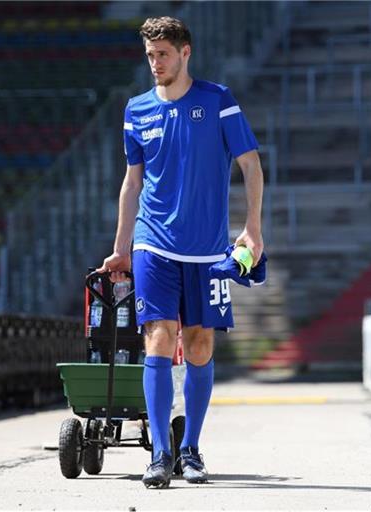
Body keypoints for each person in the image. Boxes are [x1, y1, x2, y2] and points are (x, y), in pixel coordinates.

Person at [96, 16, 265, 488]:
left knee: (199, 344)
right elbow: (133, 183)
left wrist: (253, 228)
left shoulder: (218, 100)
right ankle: (159, 454)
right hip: (153, 243)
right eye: (150, 56)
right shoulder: (135, 109)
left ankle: (190, 447)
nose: (155, 64)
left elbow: (251, 164)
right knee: (159, 336)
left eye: (163, 55)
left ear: (185, 53)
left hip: (209, 249)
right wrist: (121, 249)